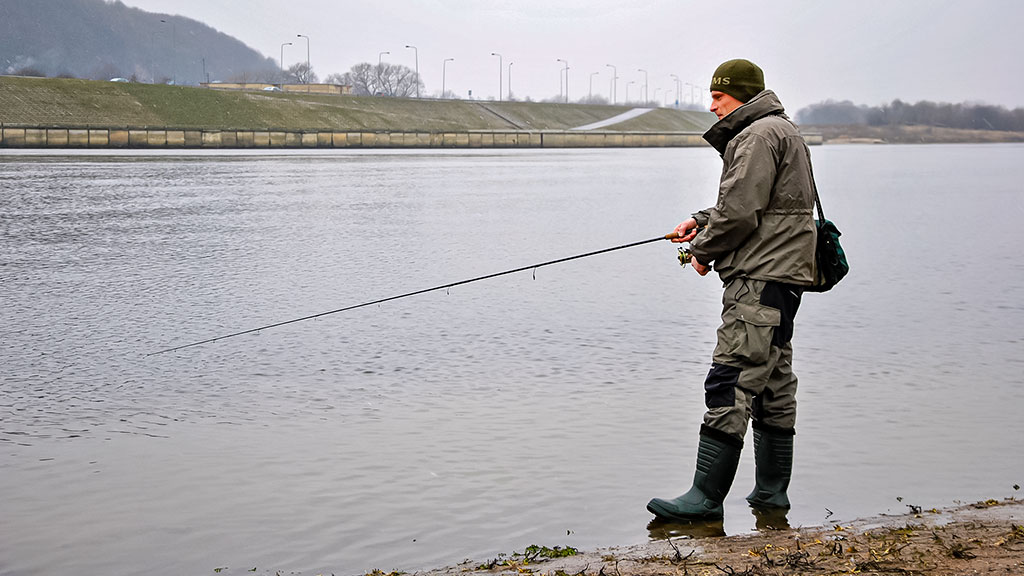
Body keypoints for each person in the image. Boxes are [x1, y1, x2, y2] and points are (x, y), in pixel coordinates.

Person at [647, 59, 818, 522]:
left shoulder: (757, 135)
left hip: (759, 278)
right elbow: (763, 203)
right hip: (784, 278)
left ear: (739, 95)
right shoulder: (782, 130)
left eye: (718, 98)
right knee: (773, 382)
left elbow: (742, 212)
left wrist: (702, 250)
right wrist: (701, 221)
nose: (711, 106)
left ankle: (704, 499)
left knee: (731, 379)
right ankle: (771, 498)